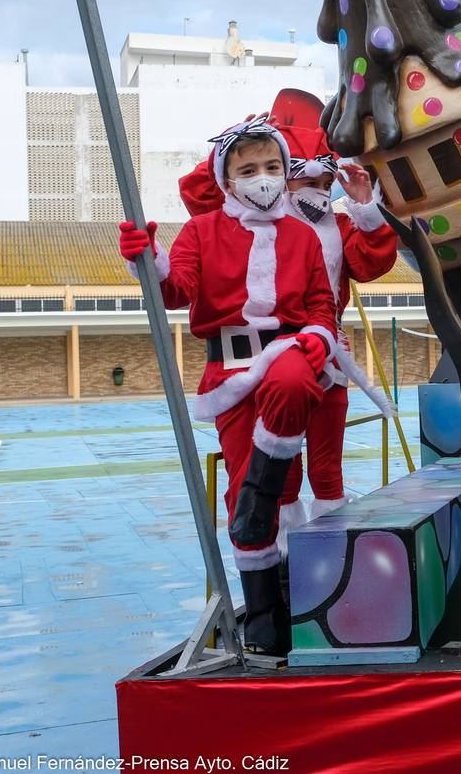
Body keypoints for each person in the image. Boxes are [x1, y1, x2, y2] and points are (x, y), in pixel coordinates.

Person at [118, 118, 339, 654]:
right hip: (230, 375)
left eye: (270, 167)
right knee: (253, 496)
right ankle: (266, 615)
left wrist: (318, 338)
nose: (261, 178)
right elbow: (176, 288)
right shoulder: (201, 231)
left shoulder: (304, 236)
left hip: (288, 354)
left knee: (288, 379)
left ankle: (260, 504)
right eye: (247, 170)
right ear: (227, 178)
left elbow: (320, 307)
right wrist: (146, 258)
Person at [177, 116, 399, 558]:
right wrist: (237, 143)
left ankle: (330, 562)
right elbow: (199, 193)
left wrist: (366, 210)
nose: (315, 188)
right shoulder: (252, 221)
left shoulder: (338, 225)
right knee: (282, 474)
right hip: (258, 364)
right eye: (303, 178)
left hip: (326, 357)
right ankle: (278, 559)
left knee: (327, 469)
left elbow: (371, 264)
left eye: (323, 179)